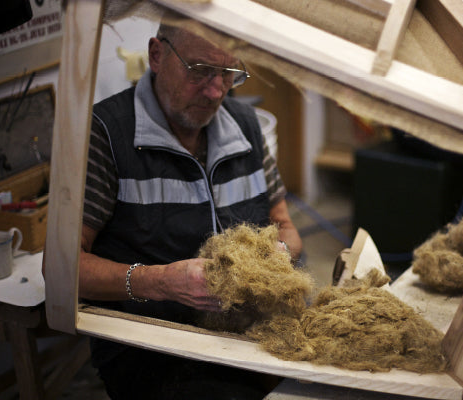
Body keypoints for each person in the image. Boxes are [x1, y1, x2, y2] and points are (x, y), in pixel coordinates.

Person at [78, 19, 302, 400]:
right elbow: (64, 267)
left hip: (248, 333)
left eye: (228, 74)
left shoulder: (246, 127)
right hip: (152, 346)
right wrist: (161, 282)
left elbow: (286, 227)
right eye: (199, 70)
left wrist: (278, 256)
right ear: (156, 55)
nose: (216, 91)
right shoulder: (106, 134)